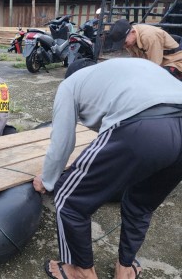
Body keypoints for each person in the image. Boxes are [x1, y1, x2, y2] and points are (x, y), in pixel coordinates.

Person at [33, 57, 182, 279]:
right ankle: (125, 269)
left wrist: (47, 180)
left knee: (68, 198)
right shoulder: (124, 69)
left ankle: (80, 270)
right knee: (140, 205)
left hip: (143, 125)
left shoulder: (70, 84)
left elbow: (62, 141)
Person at [109, 19, 182, 81]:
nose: (124, 46)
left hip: (175, 60)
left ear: (133, 32)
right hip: (159, 61)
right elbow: (137, 62)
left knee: (162, 77)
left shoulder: (149, 37)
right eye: (122, 44)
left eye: (125, 43)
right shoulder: (130, 41)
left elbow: (155, 67)